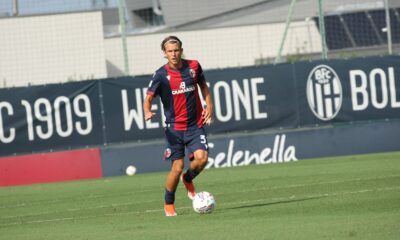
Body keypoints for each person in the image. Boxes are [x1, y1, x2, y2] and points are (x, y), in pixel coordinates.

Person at [143, 36, 214, 217]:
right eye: (170, 51)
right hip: (174, 128)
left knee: (202, 158)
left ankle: (188, 178)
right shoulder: (160, 75)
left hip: (195, 125)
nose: (173, 54)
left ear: (181, 50)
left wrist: (210, 106)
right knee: (177, 166)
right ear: (164, 54)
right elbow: (148, 98)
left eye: (176, 50)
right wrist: (147, 111)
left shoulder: (194, 66)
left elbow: (204, 87)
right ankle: (169, 203)